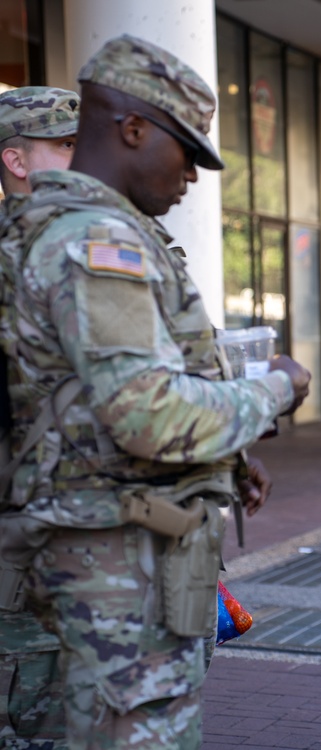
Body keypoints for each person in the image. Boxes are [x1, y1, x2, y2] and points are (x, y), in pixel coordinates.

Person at [0, 34, 310, 749]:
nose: (194, 177)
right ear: (133, 129)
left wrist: (224, 462)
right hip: (114, 569)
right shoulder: (93, 241)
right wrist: (274, 389)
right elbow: (148, 412)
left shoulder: (79, 231)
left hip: (119, 552)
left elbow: (83, 404)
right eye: (187, 152)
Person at [0, 84, 79, 750]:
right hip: (27, 527)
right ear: (17, 162)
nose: (82, 161)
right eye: (65, 146)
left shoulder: (110, 243)